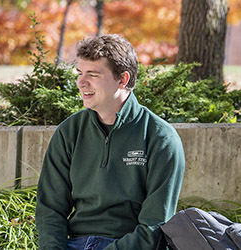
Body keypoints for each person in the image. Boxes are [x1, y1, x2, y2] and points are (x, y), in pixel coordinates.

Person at [35, 34, 185, 250]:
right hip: (74, 243)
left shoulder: (160, 138)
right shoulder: (69, 131)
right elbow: (50, 208)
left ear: (123, 79)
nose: (81, 82)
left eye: (93, 75)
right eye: (80, 73)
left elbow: (154, 225)